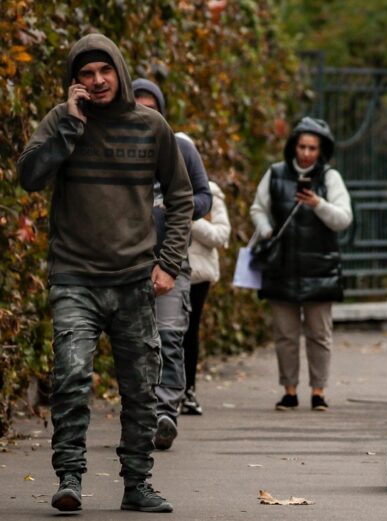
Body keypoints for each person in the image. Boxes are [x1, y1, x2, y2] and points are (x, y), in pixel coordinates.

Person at [17, 33, 193, 513]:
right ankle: (69, 477)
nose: (96, 82)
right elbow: (29, 176)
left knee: (140, 386)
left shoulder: (151, 126)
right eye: (85, 75)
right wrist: (68, 127)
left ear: (118, 69)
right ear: (74, 83)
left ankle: (137, 483)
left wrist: (168, 263)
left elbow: (180, 198)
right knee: (71, 375)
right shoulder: (61, 121)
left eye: (103, 71)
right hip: (75, 277)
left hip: (135, 278)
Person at [131, 78, 213, 451]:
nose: (146, 112)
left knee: (169, 336)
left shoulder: (180, 147)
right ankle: (138, 414)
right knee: (133, 343)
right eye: (138, 105)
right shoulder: (115, 145)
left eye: (153, 106)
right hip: (125, 262)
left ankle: (165, 413)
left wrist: (170, 210)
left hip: (171, 260)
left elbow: (203, 196)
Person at [250, 117, 352, 412]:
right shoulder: (275, 173)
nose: (306, 153)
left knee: (319, 334)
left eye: (312, 148)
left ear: (322, 151)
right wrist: (268, 231)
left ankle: (318, 392)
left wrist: (318, 204)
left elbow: (343, 219)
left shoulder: (330, 178)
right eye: (302, 146)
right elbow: (258, 208)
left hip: (320, 267)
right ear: (293, 146)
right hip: (281, 265)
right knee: (285, 334)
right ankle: (289, 391)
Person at [183, 180, 231, 415]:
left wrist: (187, 218)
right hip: (159, 269)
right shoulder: (157, 185)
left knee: (189, 330)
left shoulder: (210, 191)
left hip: (197, 274)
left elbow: (220, 234)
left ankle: (188, 390)